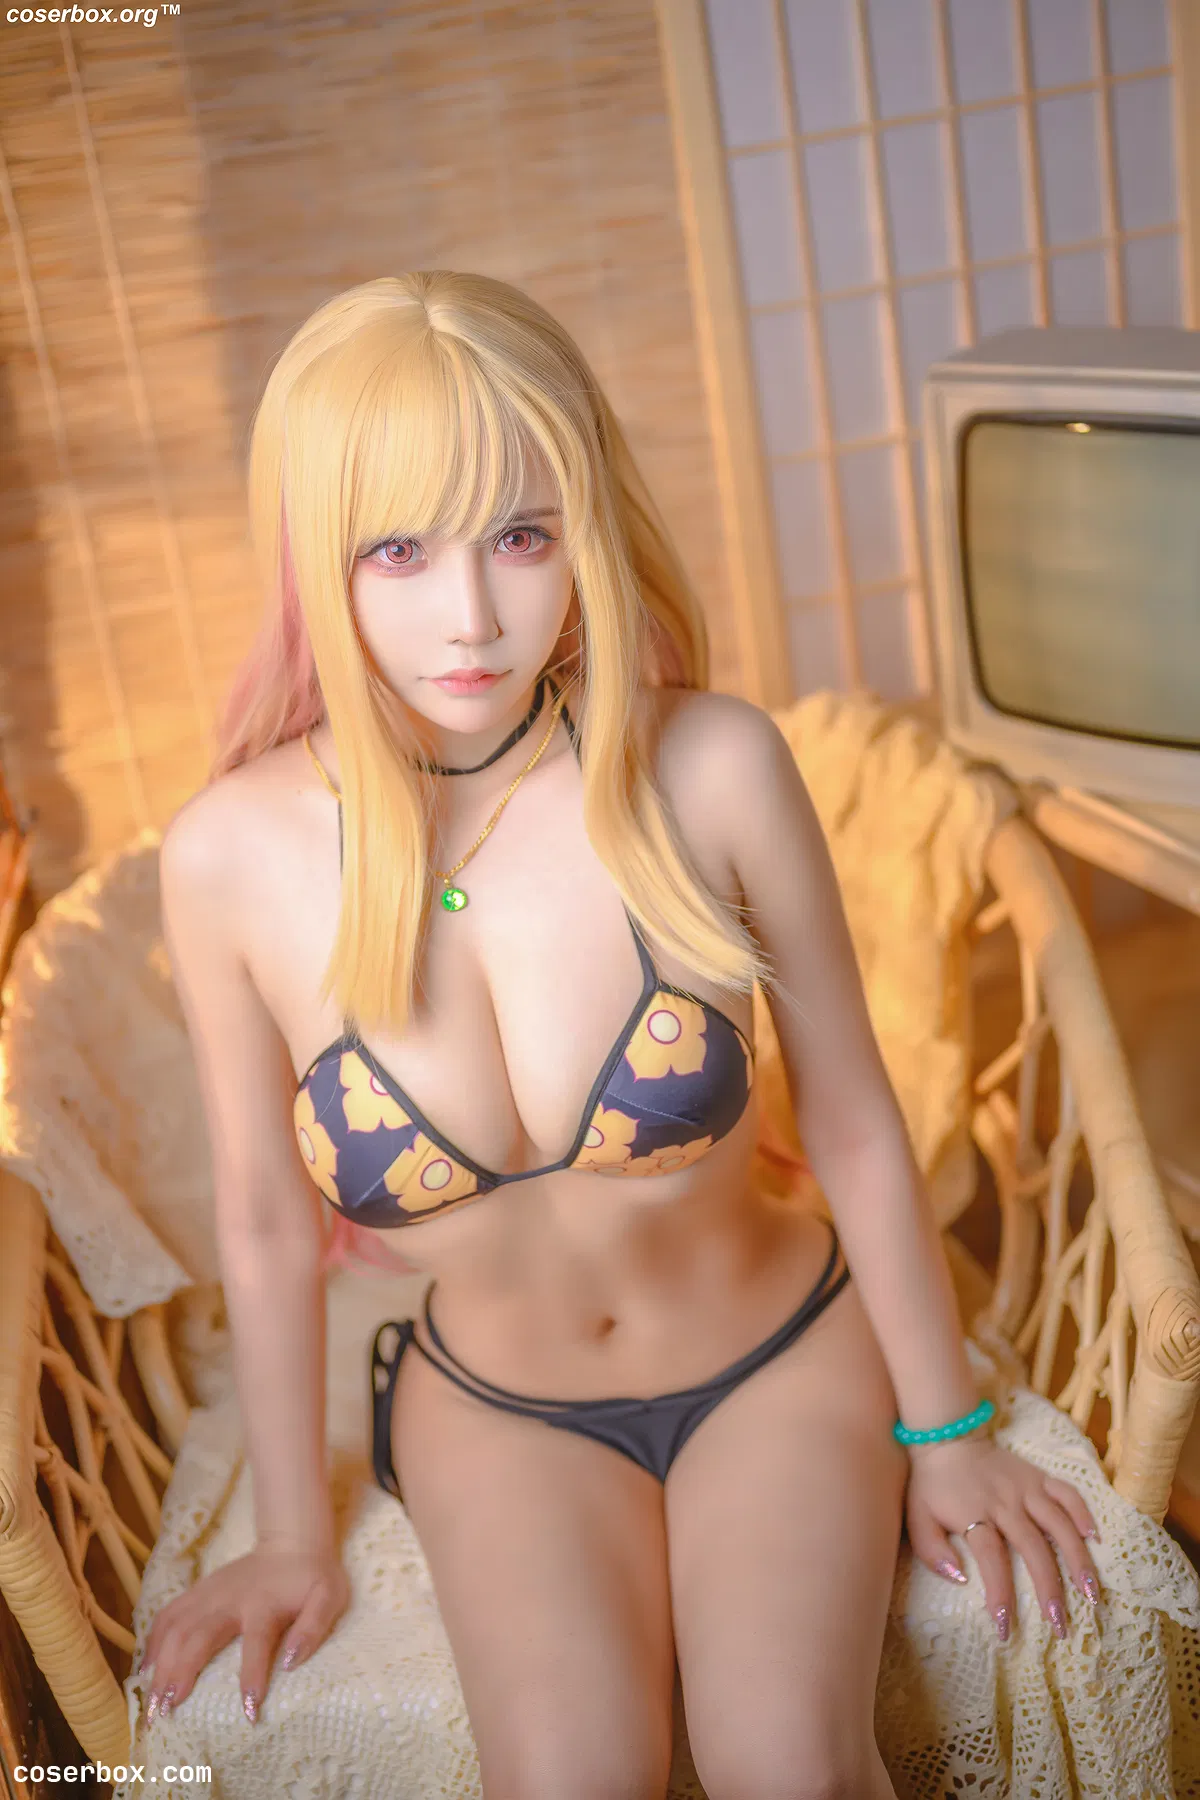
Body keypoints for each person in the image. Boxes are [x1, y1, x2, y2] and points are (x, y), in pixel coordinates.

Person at [143, 271, 1101, 1800]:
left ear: (585, 523)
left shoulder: (709, 769)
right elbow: (261, 1218)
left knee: (790, 1764)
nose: (471, 616)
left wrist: (949, 1429)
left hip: (775, 1358)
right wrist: (291, 1540)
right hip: (499, 1409)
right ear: (319, 559)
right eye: (399, 549)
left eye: (521, 536)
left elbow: (854, 1118)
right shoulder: (229, 857)